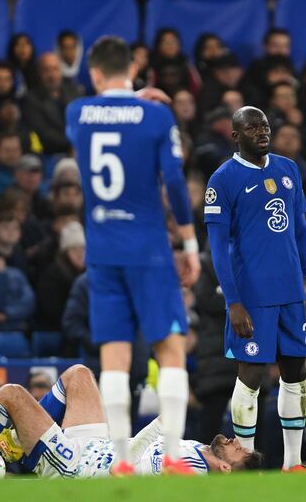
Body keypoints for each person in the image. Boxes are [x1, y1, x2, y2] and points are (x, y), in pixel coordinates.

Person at [65, 36, 200, 473]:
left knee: (115, 358)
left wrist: (131, 102)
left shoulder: (77, 113)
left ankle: (122, 459)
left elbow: (107, 122)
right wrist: (189, 242)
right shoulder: (156, 115)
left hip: (102, 251)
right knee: (171, 349)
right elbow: (175, 184)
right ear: (133, 69)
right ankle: (175, 453)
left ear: (94, 73)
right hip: (149, 247)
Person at [204, 106, 306, 472]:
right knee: (251, 376)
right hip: (253, 296)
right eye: (252, 127)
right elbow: (217, 248)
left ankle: (293, 464)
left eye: (265, 126)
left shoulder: (288, 169)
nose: (262, 132)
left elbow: (300, 232)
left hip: (291, 292)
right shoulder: (222, 180)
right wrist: (234, 302)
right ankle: (245, 462)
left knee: (296, 372)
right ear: (235, 135)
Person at [0, 364, 262, 478]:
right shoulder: (198, 451)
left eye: (239, 450)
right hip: (99, 449)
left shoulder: (190, 474)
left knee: (10, 393)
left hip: (78, 466)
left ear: (227, 469)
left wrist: (163, 422)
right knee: (78, 375)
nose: (235, 440)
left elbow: (130, 467)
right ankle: (17, 442)